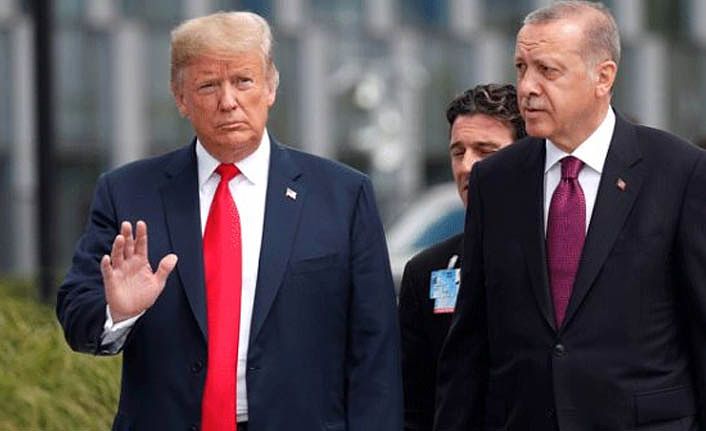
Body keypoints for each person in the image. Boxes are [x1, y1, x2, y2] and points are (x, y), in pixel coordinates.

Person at [56, 11, 402, 431]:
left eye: (243, 81)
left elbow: (375, 346)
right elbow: (77, 312)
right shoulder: (128, 193)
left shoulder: (342, 195)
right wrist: (118, 311)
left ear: (270, 87)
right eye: (208, 85)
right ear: (180, 98)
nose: (228, 101)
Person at [435, 2, 706, 430]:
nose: (527, 87)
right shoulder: (496, 181)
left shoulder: (679, 172)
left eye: (547, 70)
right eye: (521, 68)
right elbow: (470, 344)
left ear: (604, 77)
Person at [398, 83, 525, 431]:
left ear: (526, 157)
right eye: (458, 152)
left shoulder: (561, 259)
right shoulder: (426, 272)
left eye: (485, 150)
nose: (467, 165)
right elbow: (413, 406)